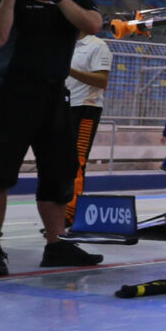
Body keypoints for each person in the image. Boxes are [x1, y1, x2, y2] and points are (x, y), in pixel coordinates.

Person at [0, 0, 105, 276]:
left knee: (60, 173)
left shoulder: (74, 2)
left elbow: (92, 25)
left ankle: (55, 243)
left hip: (52, 97)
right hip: (8, 95)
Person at [62, 28, 113, 228]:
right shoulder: (64, 43)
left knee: (76, 162)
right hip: (62, 106)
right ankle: (60, 210)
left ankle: (71, 213)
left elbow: (102, 80)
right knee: (61, 162)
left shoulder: (97, 45)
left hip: (85, 108)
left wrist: (68, 69)